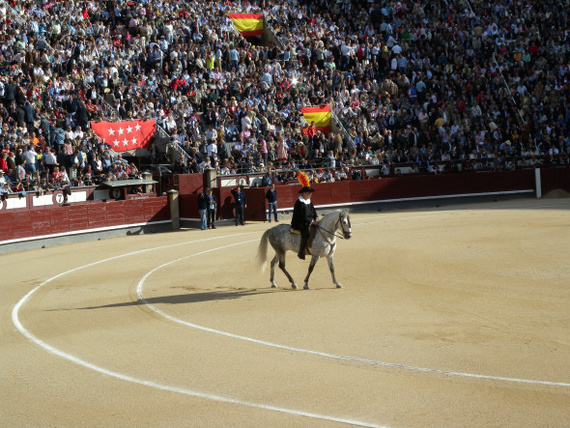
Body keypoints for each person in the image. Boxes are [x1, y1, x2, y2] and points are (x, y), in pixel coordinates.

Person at [291, 172, 318, 260]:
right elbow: (303, 216)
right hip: (300, 223)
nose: (311, 194)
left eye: (310, 193)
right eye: (309, 193)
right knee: (306, 233)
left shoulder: (308, 201)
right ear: (304, 193)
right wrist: (311, 222)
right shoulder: (299, 202)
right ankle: (301, 252)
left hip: (309, 221)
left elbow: (313, 211)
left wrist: (316, 218)